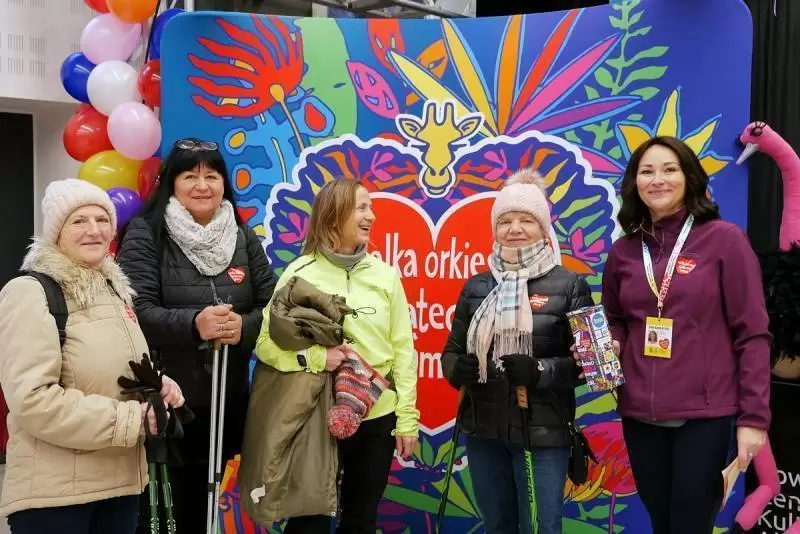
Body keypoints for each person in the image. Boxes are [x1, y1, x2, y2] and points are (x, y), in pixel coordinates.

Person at [599, 136, 772, 534]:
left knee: (690, 526)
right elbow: (615, 318)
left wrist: (754, 419)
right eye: (647, 172)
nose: (657, 180)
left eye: (669, 169)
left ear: (689, 177)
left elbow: (753, 335)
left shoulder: (724, 239)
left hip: (704, 415)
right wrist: (613, 341)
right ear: (635, 183)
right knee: (662, 523)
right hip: (640, 413)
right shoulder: (624, 251)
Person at [0, 179, 183, 534]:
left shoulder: (115, 292)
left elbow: (115, 370)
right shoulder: (30, 292)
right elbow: (33, 400)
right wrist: (132, 420)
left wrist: (158, 386)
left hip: (120, 486)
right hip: (55, 497)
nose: (94, 230)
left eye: (102, 220)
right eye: (79, 221)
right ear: (56, 232)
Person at [115, 138, 277, 532]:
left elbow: (273, 306)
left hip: (224, 401)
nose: (202, 185)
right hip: (166, 404)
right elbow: (134, 312)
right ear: (172, 183)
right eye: (190, 176)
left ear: (224, 183)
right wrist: (194, 324)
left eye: (211, 175)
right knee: (162, 512)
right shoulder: (146, 234)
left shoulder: (241, 235)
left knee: (205, 509)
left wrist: (244, 327)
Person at [254, 178, 419, 534]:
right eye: (361, 208)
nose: (371, 216)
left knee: (361, 519)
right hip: (316, 412)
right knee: (309, 520)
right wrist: (317, 358)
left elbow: (403, 351)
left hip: (377, 414)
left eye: (371, 207)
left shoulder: (385, 275)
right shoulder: (299, 272)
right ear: (333, 215)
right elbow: (266, 345)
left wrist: (406, 420)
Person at [441, 169, 594, 534]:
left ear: (543, 227)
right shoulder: (476, 287)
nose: (514, 229)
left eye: (526, 220)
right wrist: (457, 369)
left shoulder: (572, 285)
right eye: (505, 221)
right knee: (498, 525)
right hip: (484, 432)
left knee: (541, 528)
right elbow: (451, 351)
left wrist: (540, 370)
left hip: (543, 436)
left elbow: (592, 364)